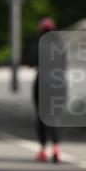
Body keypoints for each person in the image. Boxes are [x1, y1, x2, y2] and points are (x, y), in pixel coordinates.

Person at [31, 16, 61, 163]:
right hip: (58, 84)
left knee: (41, 116)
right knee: (55, 116)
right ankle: (56, 148)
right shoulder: (60, 46)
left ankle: (43, 149)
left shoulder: (39, 44)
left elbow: (30, 61)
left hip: (42, 82)